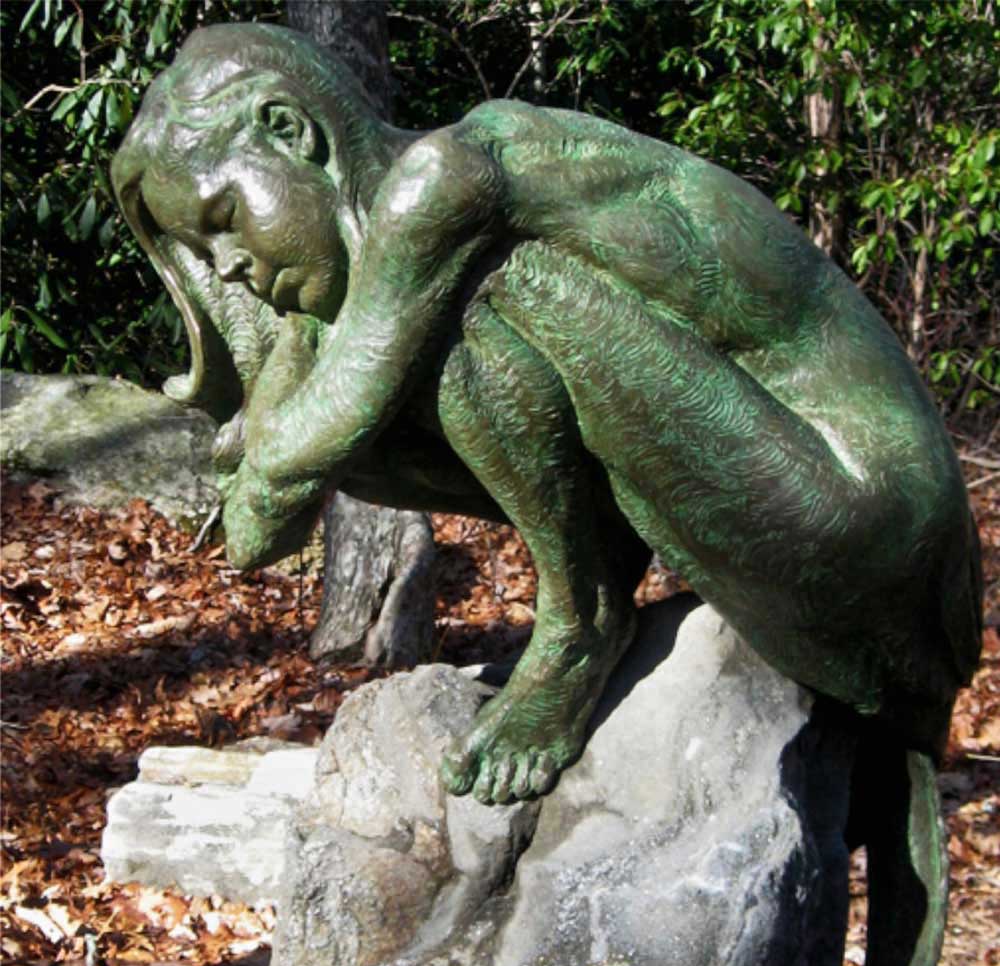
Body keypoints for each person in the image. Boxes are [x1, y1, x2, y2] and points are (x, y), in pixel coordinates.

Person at [114, 23, 980, 810]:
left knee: (467, 319)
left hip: (861, 514)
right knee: (376, 428)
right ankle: (597, 579)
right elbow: (267, 512)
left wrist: (267, 448)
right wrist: (282, 394)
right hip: (811, 503)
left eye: (225, 218)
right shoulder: (384, 250)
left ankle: (582, 622)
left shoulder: (443, 182)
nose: (225, 265)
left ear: (290, 130)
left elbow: (280, 481)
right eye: (201, 250)